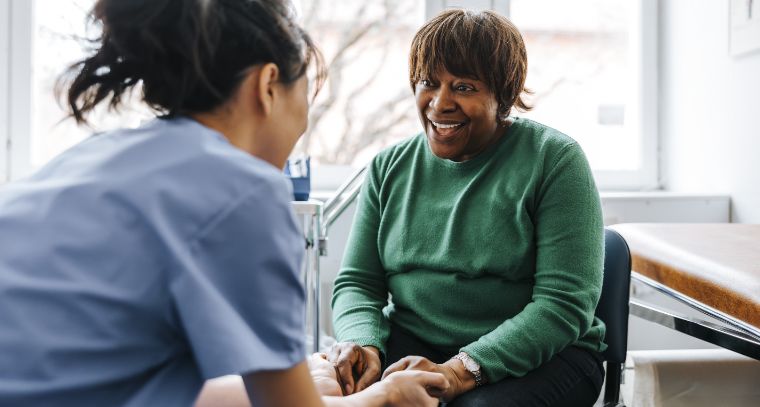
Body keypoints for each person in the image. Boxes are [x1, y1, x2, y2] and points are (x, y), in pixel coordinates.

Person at [0, 0, 447, 406]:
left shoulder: (96, 154)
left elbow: (135, 377)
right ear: (268, 85)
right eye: (305, 95)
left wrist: (300, 379)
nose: (303, 123)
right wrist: (384, 398)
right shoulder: (244, 190)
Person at [330, 9, 606, 407]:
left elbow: (564, 305)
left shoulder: (555, 160)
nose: (439, 103)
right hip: (415, 343)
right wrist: (363, 344)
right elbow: (358, 283)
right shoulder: (388, 166)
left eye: (463, 87)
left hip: (544, 355)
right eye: (429, 83)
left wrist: (460, 371)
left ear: (503, 96)